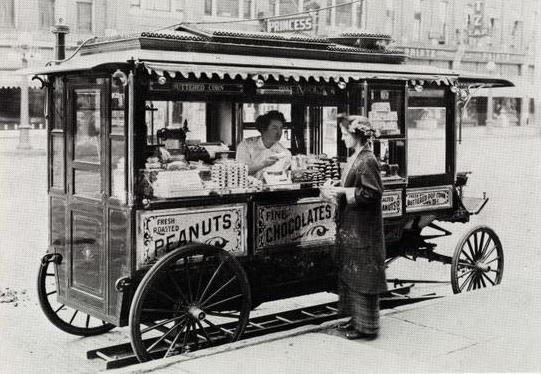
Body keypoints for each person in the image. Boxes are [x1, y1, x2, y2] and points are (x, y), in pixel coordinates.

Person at [320, 114, 386, 340]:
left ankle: (367, 327)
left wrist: (341, 191)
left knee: (363, 277)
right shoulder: (356, 157)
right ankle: (356, 321)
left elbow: (372, 193)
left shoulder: (367, 160)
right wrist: (332, 189)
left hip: (364, 229)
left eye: (345, 134)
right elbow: (352, 187)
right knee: (352, 275)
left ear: (357, 136)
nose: (342, 137)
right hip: (352, 227)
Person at [236, 110, 292, 179]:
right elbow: (240, 171)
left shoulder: (285, 153)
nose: (279, 132)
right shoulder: (246, 145)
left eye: (281, 128)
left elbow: (284, 178)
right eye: (274, 128)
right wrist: (263, 164)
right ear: (263, 129)